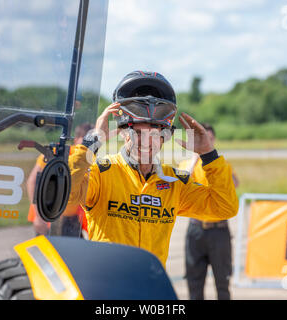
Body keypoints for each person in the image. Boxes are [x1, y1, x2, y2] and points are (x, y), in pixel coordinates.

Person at [66, 70, 239, 267]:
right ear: (123, 133)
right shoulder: (102, 173)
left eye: (154, 134)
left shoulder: (174, 182)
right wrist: (92, 142)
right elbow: (67, 197)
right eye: (138, 132)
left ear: (164, 137)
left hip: (151, 285)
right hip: (107, 284)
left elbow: (225, 207)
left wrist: (208, 155)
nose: (146, 142)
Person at [179, 123, 239, 300]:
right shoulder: (186, 164)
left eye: (210, 139)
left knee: (222, 281)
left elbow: (234, 184)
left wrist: (212, 160)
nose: (207, 142)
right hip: (196, 229)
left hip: (218, 230)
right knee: (194, 281)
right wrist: (194, 159)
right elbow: (181, 185)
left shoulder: (220, 164)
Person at [26, 122, 94, 237]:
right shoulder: (57, 153)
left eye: (94, 141)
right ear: (76, 139)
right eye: (87, 141)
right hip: (48, 215)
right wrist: (39, 216)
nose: (91, 145)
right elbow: (33, 182)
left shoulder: (91, 159)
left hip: (73, 219)